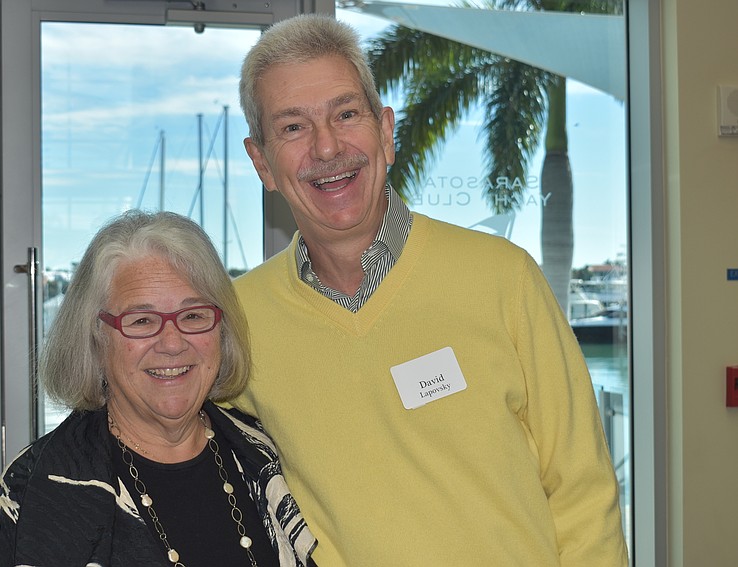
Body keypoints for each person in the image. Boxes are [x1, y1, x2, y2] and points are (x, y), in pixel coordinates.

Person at [233, 13, 629, 566]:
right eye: (293, 127)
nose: (327, 148)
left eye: (346, 114)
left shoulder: (504, 280)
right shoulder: (240, 324)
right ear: (262, 163)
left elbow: (583, 493)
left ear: (386, 133)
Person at [0, 210, 317, 567]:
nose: (172, 343)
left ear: (220, 331)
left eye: (193, 315)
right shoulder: (30, 490)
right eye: (142, 320)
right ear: (96, 339)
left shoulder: (262, 453)